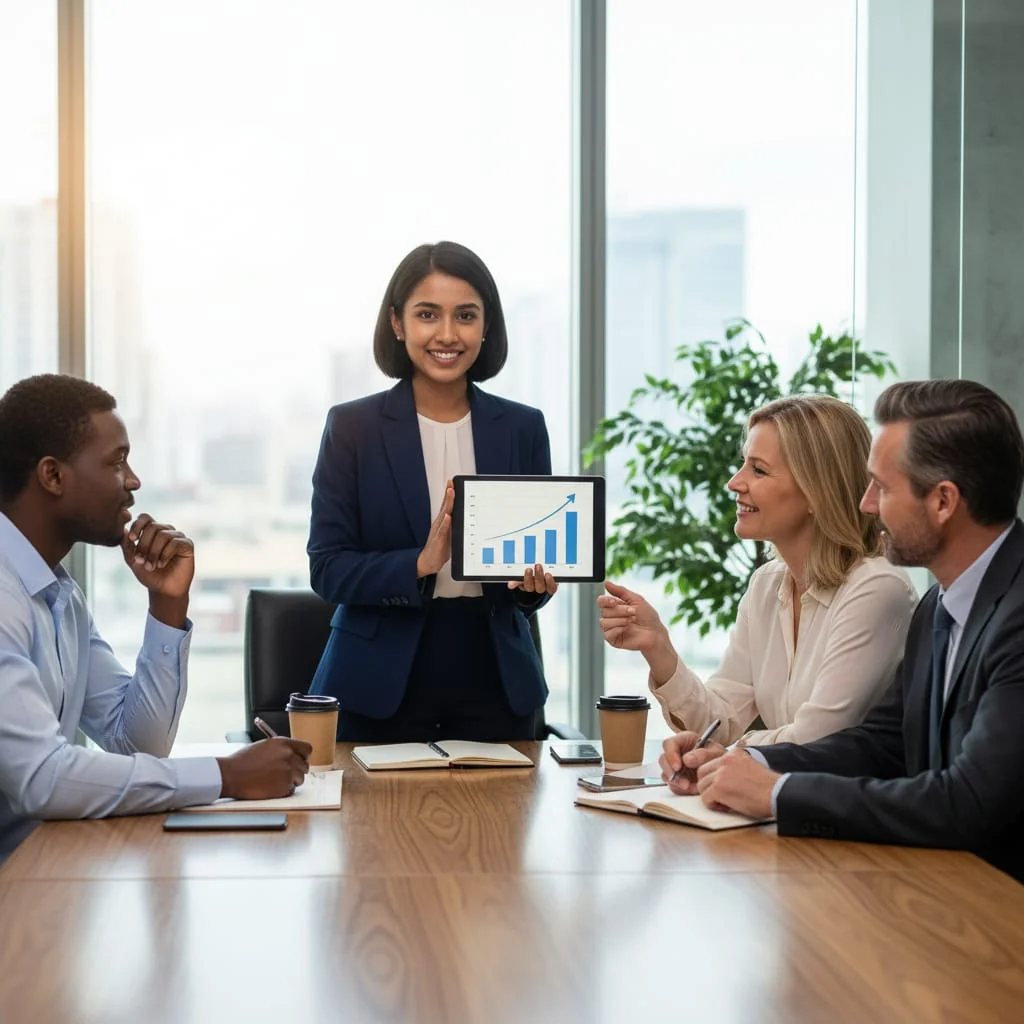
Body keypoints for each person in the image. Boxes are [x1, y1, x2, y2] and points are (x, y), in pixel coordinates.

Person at [662, 379, 1024, 882]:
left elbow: (968, 800)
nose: (866, 505)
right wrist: (752, 763)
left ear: (943, 501)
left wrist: (776, 792)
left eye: (883, 487)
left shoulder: (1014, 616)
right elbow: (881, 745)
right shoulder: (939, 605)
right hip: (946, 886)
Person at [0, 374, 312, 862]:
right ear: (53, 476)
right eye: (116, 461)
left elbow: (135, 744)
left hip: (39, 865)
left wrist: (167, 605)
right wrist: (226, 775)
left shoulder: (60, 595)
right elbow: (42, 778)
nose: (133, 481)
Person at [307, 241, 557, 742]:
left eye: (465, 315)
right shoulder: (353, 427)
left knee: (501, 821)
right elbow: (327, 568)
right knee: (378, 821)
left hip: (495, 676)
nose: (447, 334)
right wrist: (419, 562)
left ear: (487, 326)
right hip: (377, 679)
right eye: (428, 315)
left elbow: (529, 572)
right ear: (398, 323)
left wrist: (533, 588)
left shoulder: (522, 428)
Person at [599, 394, 917, 745]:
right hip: (785, 796)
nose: (734, 482)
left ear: (817, 491)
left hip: (842, 798)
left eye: (759, 470)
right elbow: (721, 725)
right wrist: (658, 647)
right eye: (743, 464)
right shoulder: (766, 585)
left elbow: (818, 739)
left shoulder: (876, 588)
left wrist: (723, 757)